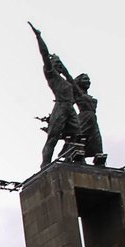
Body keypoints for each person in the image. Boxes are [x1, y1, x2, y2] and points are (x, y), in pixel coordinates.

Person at [28, 22, 80, 167]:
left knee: (77, 135)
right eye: (55, 63)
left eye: (59, 63)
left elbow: (74, 85)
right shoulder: (52, 76)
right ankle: (45, 163)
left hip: (70, 108)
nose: (58, 65)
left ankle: (70, 156)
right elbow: (44, 55)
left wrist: (65, 70)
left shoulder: (65, 80)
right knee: (53, 138)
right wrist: (39, 37)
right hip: (61, 107)